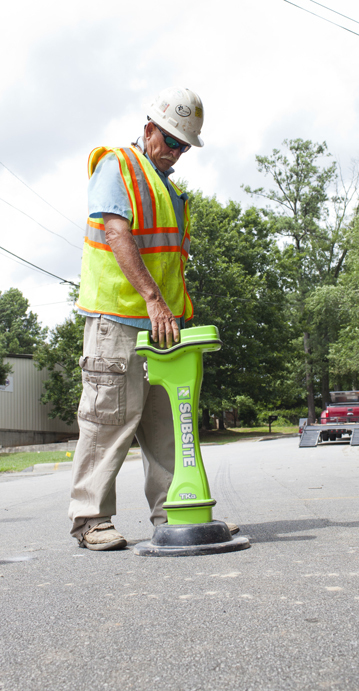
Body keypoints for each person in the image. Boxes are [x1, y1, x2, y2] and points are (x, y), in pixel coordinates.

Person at [70, 87, 236, 550]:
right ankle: (90, 520)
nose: (176, 151)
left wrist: (170, 312)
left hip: (163, 328)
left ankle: (177, 514)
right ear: (149, 129)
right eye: (171, 141)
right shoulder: (117, 165)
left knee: (170, 427)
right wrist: (153, 299)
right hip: (118, 321)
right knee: (107, 422)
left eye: (184, 146)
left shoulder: (170, 189)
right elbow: (116, 233)